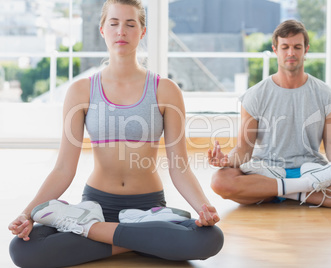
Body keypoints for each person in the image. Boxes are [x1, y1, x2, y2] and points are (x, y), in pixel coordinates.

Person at [8, 1, 223, 267]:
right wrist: (27, 214)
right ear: (102, 30)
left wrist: (204, 207)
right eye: (114, 23)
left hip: (148, 208)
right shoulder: (81, 91)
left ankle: (91, 230)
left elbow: (179, 166)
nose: (121, 30)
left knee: (210, 238)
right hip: (97, 206)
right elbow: (63, 168)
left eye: (130, 24)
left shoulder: (165, 90)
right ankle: (143, 240)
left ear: (142, 32)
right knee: (23, 249)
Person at [208, 19, 331, 208]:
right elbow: (244, 149)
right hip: (266, 171)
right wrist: (228, 160)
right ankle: (301, 190)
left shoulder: (326, 95)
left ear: (306, 49)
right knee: (220, 181)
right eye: (285, 47)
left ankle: (278, 192)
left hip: (311, 170)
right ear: (275, 50)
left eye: (297, 47)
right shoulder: (254, 95)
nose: (291, 53)